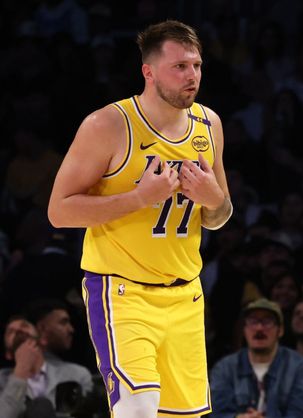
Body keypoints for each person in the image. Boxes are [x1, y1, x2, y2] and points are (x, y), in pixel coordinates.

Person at [47, 20, 233, 418]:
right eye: (179, 66)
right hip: (123, 292)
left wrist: (212, 198)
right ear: (149, 71)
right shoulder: (108, 125)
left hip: (186, 295)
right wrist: (138, 198)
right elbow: (59, 211)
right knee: (138, 411)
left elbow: (220, 215)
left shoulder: (209, 124)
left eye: (197, 65)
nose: (192, 76)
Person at [209, 298, 303, 418]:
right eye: (253, 321)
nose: (259, 328)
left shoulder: (300, 368)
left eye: (267, 321)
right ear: (244, 329)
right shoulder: (224, 368)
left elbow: (301, 414)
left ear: (280, 330)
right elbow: (217, 413)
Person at [0, 316, 93, 418]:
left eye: (24, 326)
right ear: (8, 354)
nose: (19, 330)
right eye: (11, 332)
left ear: (42, 340)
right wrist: (21, 370)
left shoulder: (76, 374)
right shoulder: (1, 381)